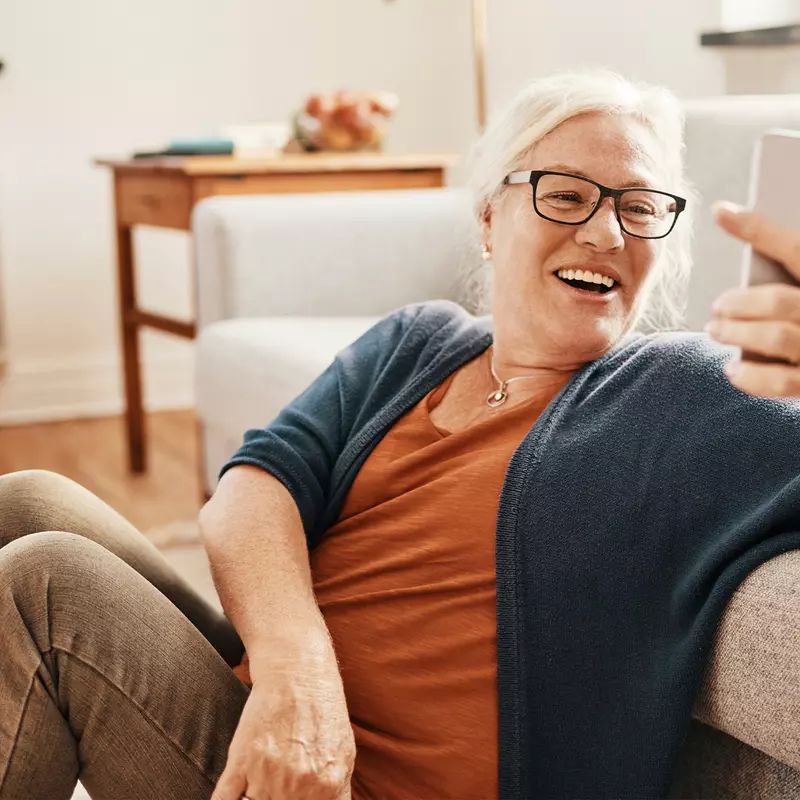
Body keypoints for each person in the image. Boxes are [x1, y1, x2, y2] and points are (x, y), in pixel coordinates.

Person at [2, 69, 800, 800]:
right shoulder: (420, 341)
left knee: (47, 586)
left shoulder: (684, 391)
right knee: (29, 500)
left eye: (640, 207)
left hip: (355, 788)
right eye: (566, 195)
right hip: (267, 725)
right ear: (491, 218)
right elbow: (252, 485)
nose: (606, 232)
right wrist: (295, 669)